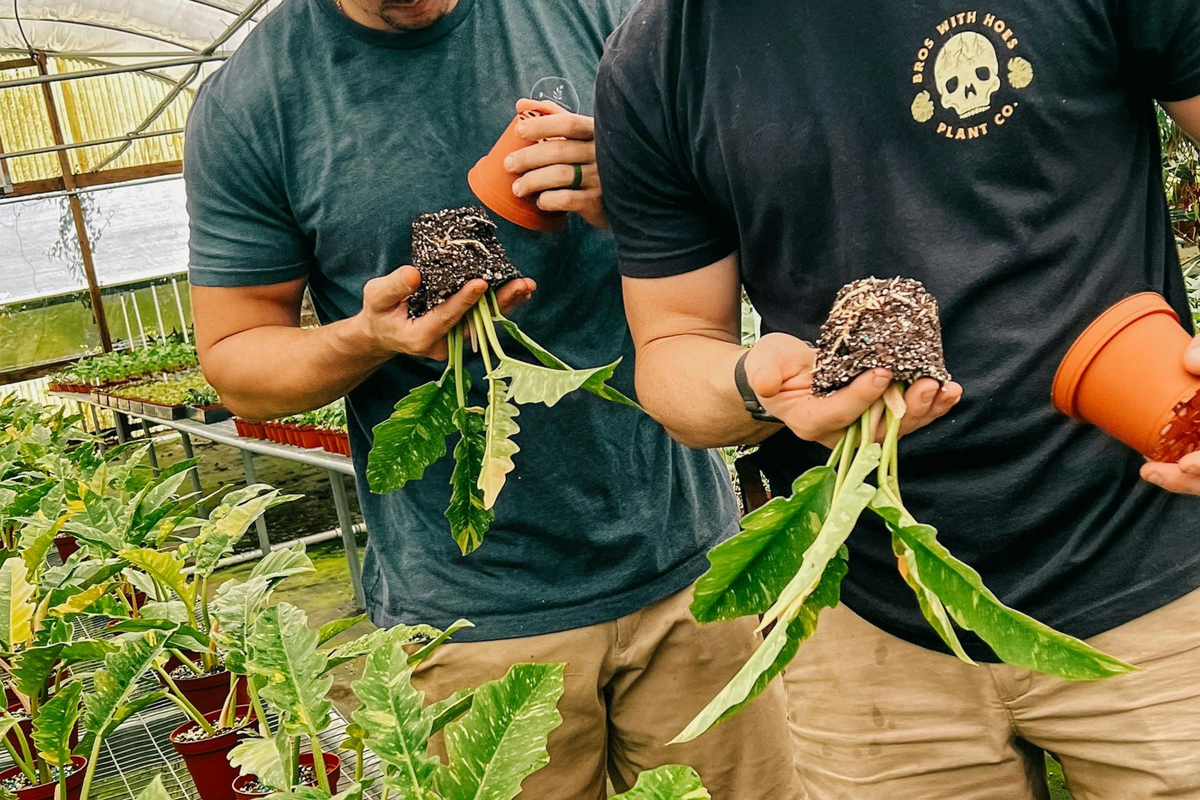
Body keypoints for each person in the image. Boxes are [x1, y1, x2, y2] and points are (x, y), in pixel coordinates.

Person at [183, 0, 803, 797]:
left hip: (690, 575)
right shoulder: (254, 99)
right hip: (470, 616)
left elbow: (758, 199)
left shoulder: (607, 15)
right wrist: (370, 337)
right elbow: (235, 360)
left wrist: (637, 191)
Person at [593, 1, 1200, 797]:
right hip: (867, 624)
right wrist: (759, 387)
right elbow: (671, 346)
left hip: (1153, 580)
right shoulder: (656, 57)